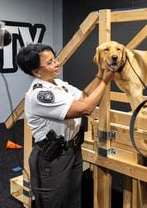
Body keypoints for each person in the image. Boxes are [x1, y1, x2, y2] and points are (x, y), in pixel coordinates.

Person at [16, 43, 114, 208]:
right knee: (55, 203)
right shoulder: (40, 94)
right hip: (53, 158)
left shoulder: (59, 84)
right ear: (36, 72)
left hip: (72, 151)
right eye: (50, 62)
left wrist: (99, 75)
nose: (56, 64)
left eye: (55, 59)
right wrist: (105, 81)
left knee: (72, 200)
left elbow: (84, 97)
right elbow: (85, 108)